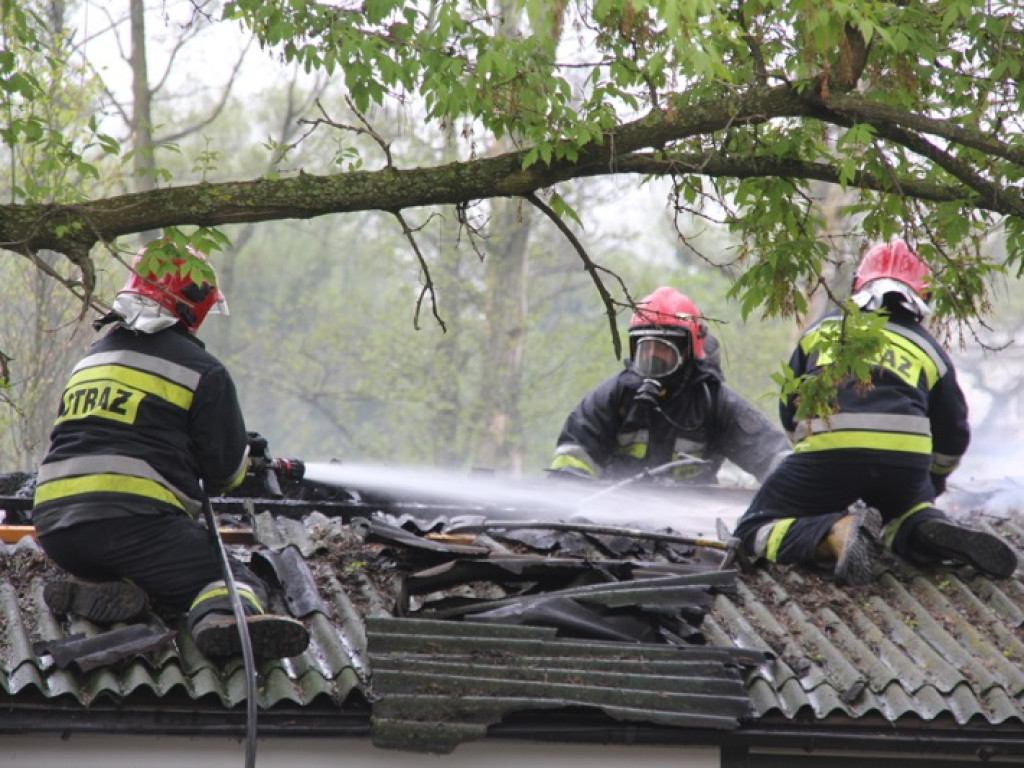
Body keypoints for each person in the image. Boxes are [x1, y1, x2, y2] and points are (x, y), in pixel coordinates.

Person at [32, 242, 310, 660]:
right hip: (133, 525)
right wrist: (243, 456)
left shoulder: (91, 360)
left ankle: (102, 589)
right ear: (195, 305)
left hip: (56, 528)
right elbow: (223, 473)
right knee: (237, 581)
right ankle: (221, 621)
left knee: (147, 569)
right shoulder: (203, 370)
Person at [732, 239, 1017, 585]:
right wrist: (932, 482)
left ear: (858, 285)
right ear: (923, 296)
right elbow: (954, 434)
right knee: (903, 515)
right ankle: (923, 527)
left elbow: (790, 405)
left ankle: (835, 533)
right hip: (903, 462)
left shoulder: (822, 331)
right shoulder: (928, 348)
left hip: (830, 454)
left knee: (753, 529)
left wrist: (810, 456)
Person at [549, 286, 792, 486]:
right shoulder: (614, 399)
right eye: (645, 347)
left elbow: (773, 458)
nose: (652, 357)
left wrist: (792, 492)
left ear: (688, 350)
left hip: (690, 523)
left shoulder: (714, 403)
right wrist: (572, 493)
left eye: (663, 348)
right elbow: (571, 461)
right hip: (614, 521)